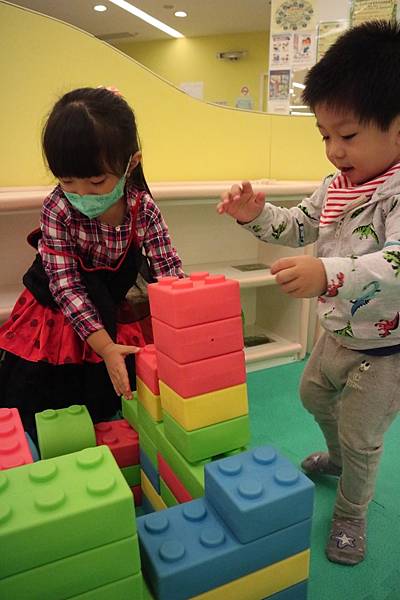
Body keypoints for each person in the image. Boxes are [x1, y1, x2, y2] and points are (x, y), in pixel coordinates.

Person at [217, 20, 400, 566]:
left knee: (363, 435)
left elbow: (396, 261)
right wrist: (255, 216)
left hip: (385, 349)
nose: (333, 150)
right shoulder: (337, 185)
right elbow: (299, 225)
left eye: (348, 136)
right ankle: (338, 459)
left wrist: (328, 274)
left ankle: (352, 512)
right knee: (313, 395)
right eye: (324, 136)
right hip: (336, 332)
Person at [0, 86, 184, 440]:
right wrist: (104, 346)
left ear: (131, 164)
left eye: (97, 181)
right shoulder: (58, 208)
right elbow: (66, 286)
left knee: (114, 404)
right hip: (56, 312)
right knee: (47, 406)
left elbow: (169, 272)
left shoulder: (142, 209)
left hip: (110, 306)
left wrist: (187, 323)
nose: (81, 194)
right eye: (67, 181)